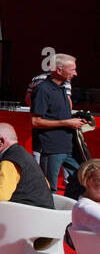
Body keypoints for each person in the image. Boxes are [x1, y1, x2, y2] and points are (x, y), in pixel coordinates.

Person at [0, 122, 54, 209]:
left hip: (29, 215)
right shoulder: (23, 155)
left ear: (1, 142)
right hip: (41, 212)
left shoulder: (8, 162)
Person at [31, 53, 81, 192]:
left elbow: (60, 115)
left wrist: (77, 120)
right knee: (49, 189)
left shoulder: (62, 88)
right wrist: (67, 122)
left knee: (81, 182)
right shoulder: (42, 89)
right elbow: (35, 121)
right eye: (72, 70)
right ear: (59, 70)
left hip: (68, 147)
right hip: (51, 148)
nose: (75, 73)